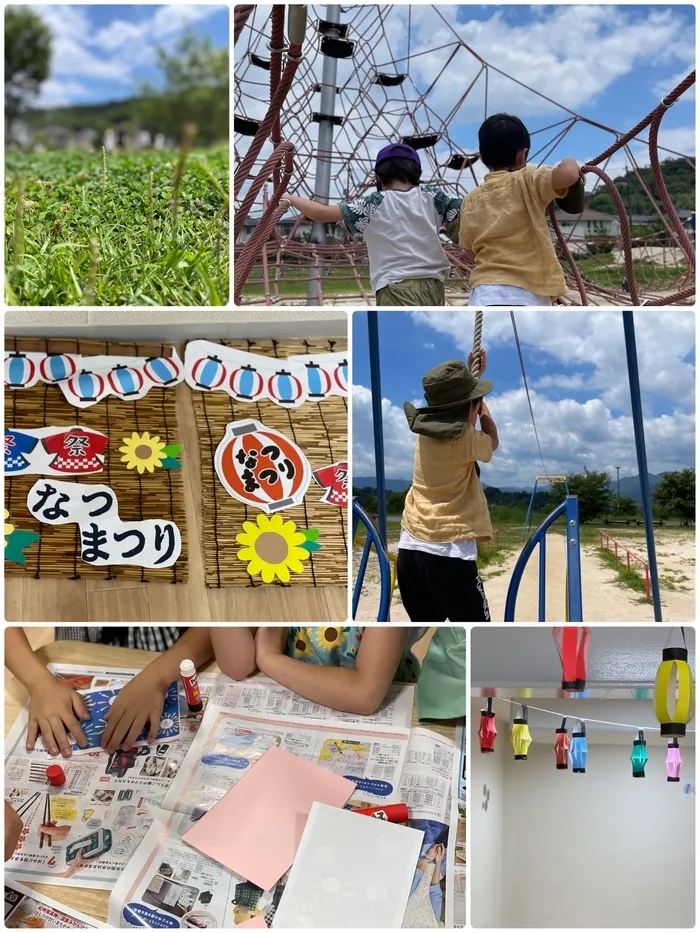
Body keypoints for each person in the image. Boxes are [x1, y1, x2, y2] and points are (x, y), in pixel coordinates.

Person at [3, 627, 250, 757]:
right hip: (79, 649)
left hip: (170, 650)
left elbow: (216, 626)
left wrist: (158, 675)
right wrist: (37, 681)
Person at [283, 143, 463, 306]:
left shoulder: (374, 203)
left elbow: (321, 213)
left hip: (394, 284)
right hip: (434, 284)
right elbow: (468, 205)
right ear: (417, 173)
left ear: (378, 176)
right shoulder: (431, 197)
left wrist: (290, 198)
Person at [397, 350, 497, 622]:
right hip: (448, 553)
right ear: (471, 406)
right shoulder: (467, 440)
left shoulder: (424, 435)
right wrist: (482, 405)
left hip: (410, 548)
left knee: (428, 627)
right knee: (478, 626)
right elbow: (491, 439)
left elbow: (457, 420)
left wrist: (472, 390)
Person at [458, 113, 582, 306]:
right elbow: (569, 174)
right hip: (527, 291)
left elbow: (469, 251)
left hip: (484, 291)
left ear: (481, 157)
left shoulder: (470, 200)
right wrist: (570, 160)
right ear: (522, 155)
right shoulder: (527, 179)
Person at [211, 627, 425, 716]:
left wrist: (269, 658)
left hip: (381, 704)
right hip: (296, 700)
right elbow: (236, 665)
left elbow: (363, 695)